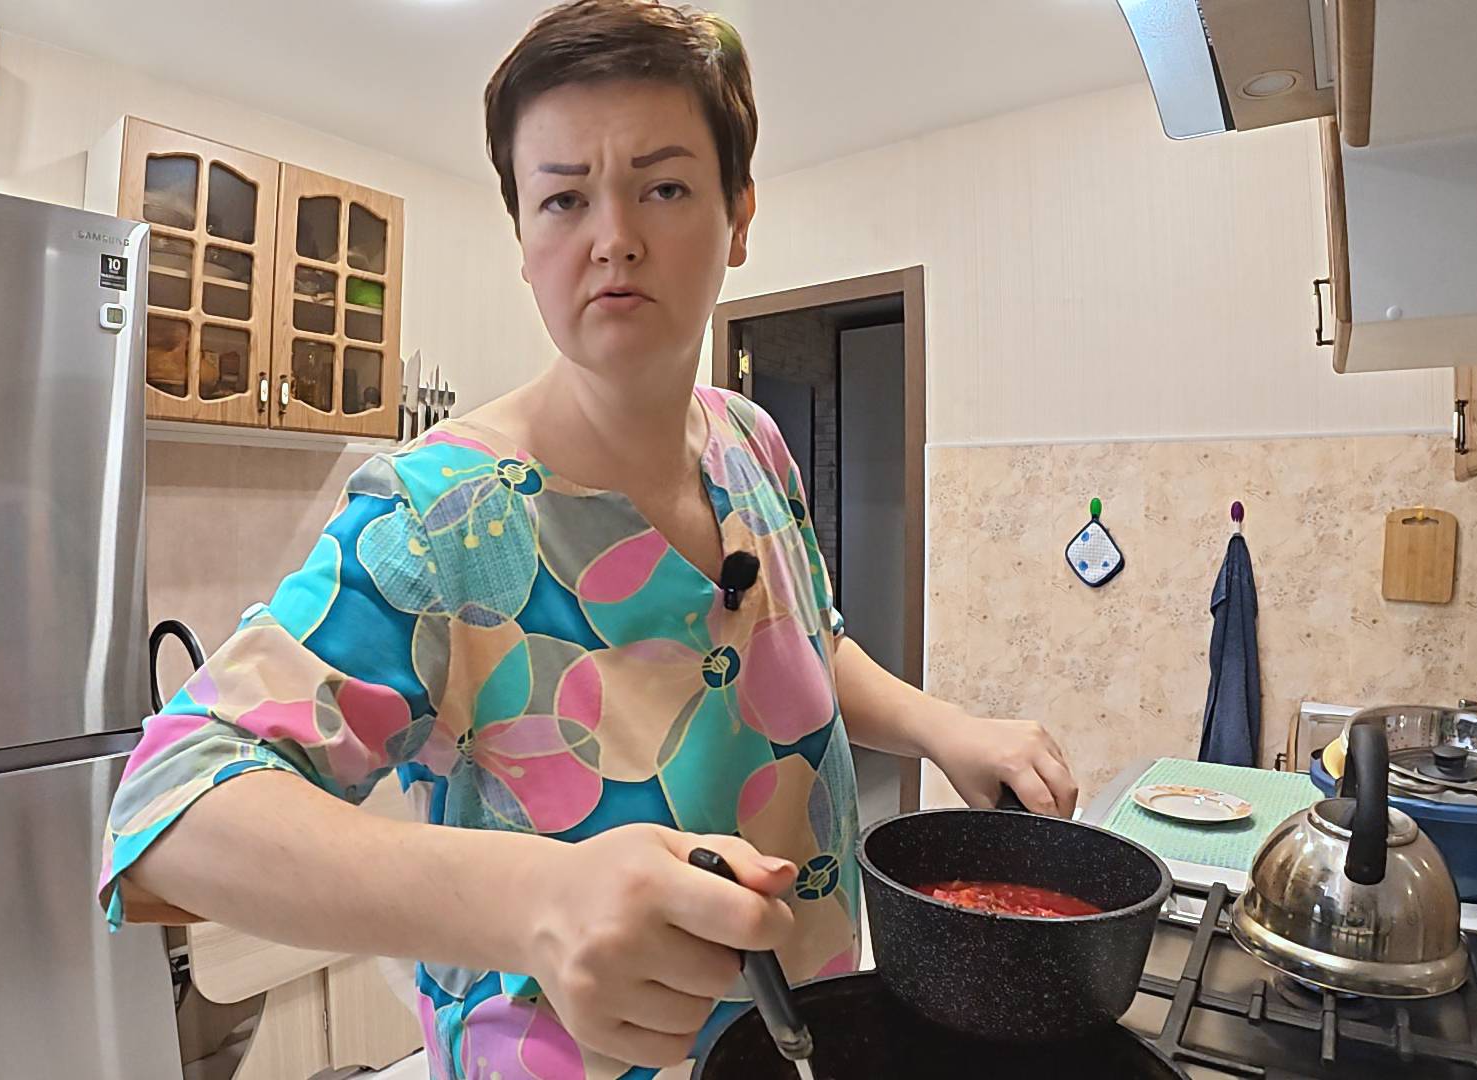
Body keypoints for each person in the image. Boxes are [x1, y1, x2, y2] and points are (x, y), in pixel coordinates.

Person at [99, 3, 1077, 1077]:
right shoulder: (439, 515)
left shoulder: (751, 441)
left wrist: (943, 728)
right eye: (563, 198)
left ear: (738, 217)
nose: (613, 237)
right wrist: (538, 901)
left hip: (808, 1033)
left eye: (664, 187)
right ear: (524, 241)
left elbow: (798, 643)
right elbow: (167, 807)